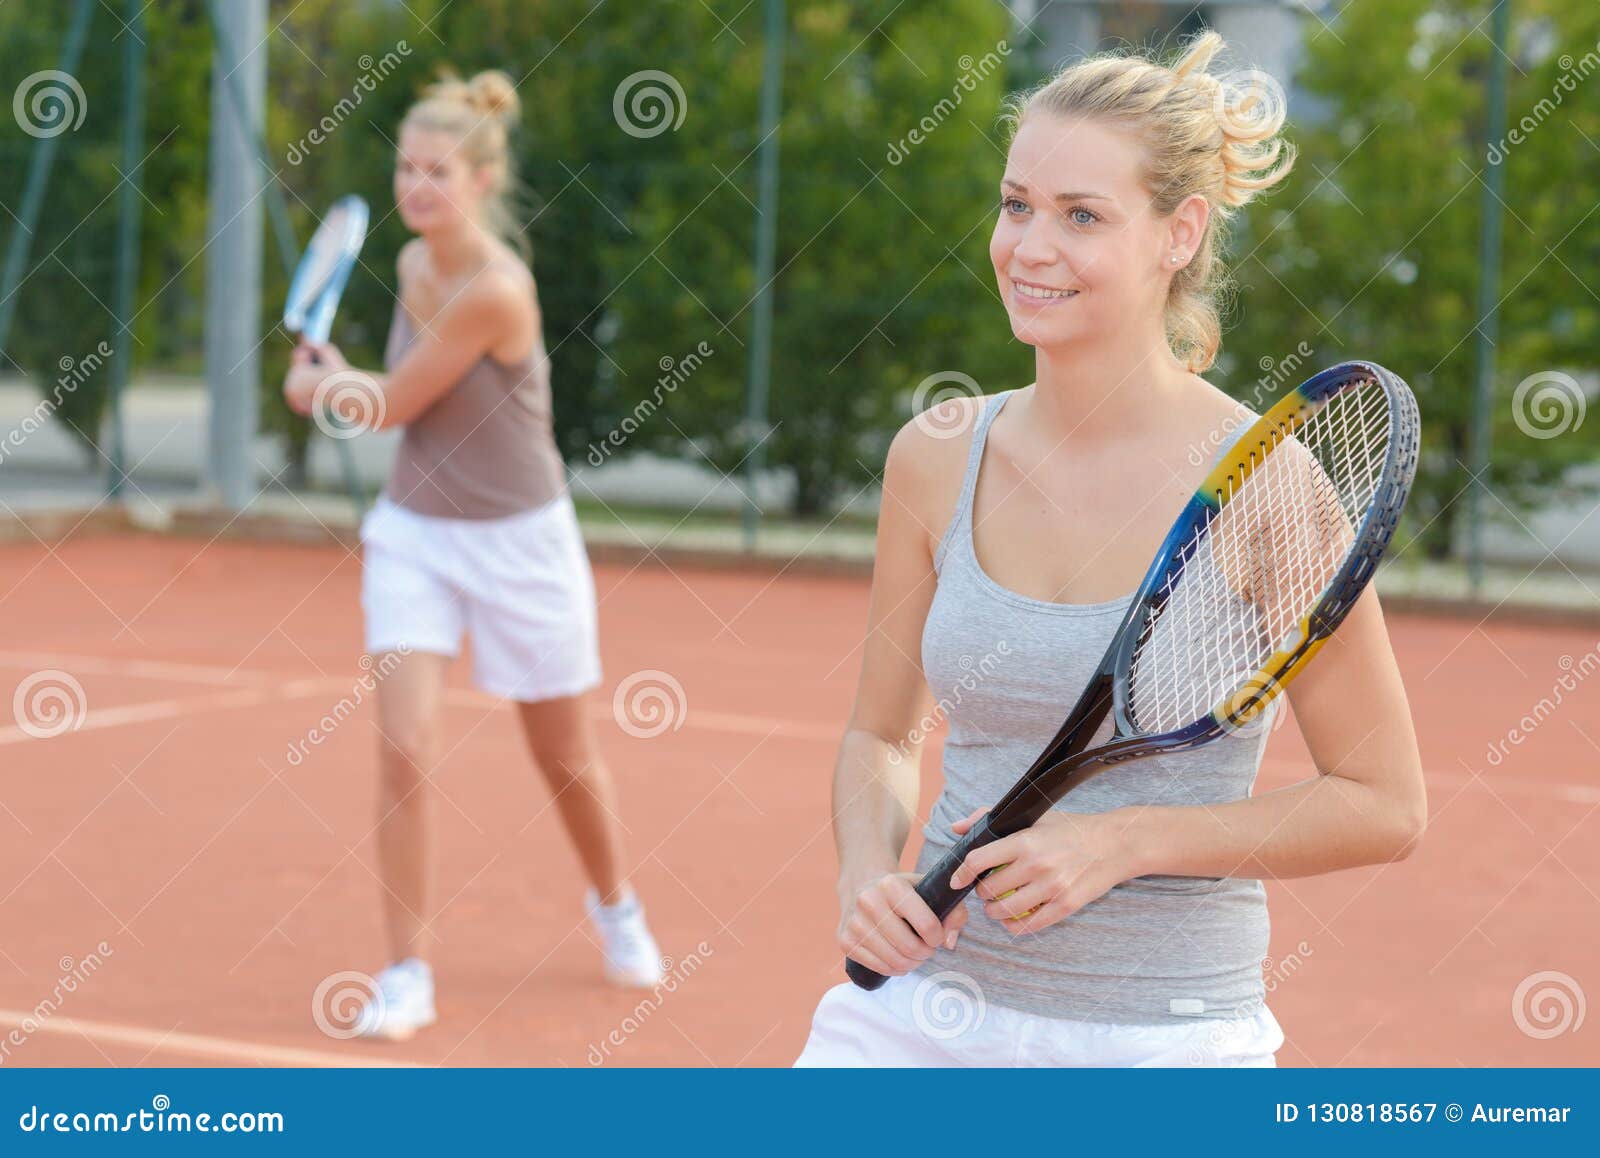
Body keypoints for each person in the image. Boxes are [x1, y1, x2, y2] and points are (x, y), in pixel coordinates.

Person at [796, 31, 1426, 1067]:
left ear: (1180, 233)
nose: (1029, 247)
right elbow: (879, 733)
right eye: (1016, 205)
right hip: (921, 1014)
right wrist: (866, 870)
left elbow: (1384, 803)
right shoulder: (936, 454)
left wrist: (1126, 841)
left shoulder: (1264, 486)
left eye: (1081, 215)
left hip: (1161, 1042)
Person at [284, 70, 663, 1041]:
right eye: (406, 169)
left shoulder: (497, 290)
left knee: (563, 755)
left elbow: (390, 403)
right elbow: (396, 398)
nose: (416, 187)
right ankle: (405, 971)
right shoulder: (413, 261)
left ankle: (616, 904)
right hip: (415, 535)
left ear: (483, 178)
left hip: (521, 542)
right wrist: (339, 382)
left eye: (437, 171)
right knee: (404, 747)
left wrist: (323, 388)